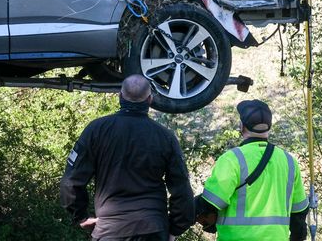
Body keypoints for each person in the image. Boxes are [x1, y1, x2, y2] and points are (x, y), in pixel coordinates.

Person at [60, 74, 194, 241]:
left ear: (120, 96)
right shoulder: (165, 137)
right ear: (150, 100)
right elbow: (181, 188)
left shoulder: (96, 130)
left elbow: (71, 181)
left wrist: (80, 216)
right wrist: (175, 228)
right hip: (153, 229)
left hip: (109, 231)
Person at [197, 99, 308, 241]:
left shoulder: (232, 159)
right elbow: (299, 213)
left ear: (241, 126)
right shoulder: (289, 161)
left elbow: (210, 203)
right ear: (269, 127)